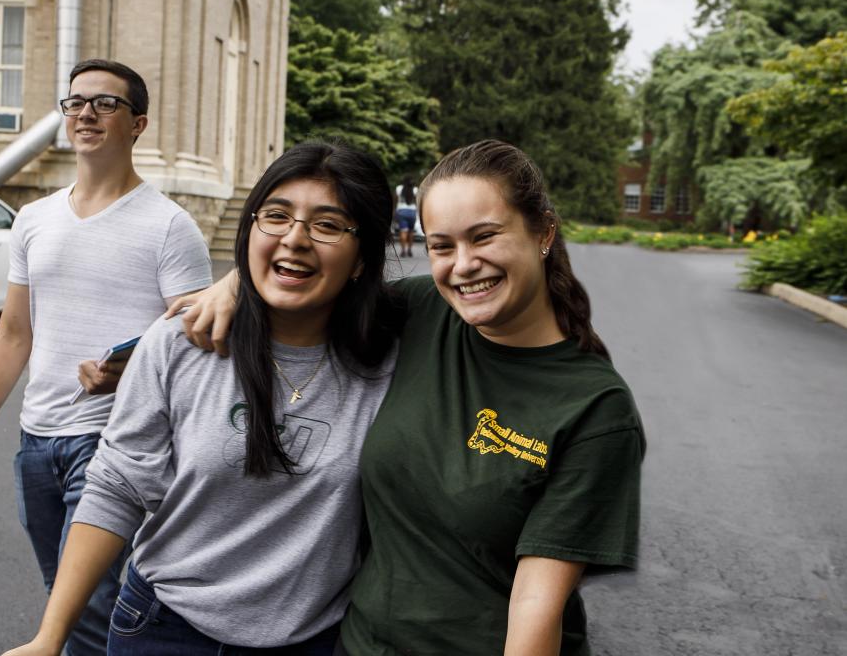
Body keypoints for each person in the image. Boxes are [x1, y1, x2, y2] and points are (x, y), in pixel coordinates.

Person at [179, 139, 644, 655]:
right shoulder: (424, 311)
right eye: (442, 246)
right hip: (357, 645)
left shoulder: (595, 408)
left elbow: (536, 604)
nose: (463, 265)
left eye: (484, 237)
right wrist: (238, 280)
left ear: (544, 232)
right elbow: (313, 285)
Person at [3, 140, 404, 656]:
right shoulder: (180, 341)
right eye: (276, 216)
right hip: (165, 628)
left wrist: (237, 279)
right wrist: (49, 637)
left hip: (315, 639)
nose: (295, 239)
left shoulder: (396, 356)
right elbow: (117, 484)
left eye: (327, 225)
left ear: (360, 259)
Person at [0, 59, 212, 655]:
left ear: (138, 124)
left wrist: (130, 371)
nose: (86, 113)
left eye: (105, 103)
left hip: (114, 442)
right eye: (75, 102)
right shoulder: (34, 220)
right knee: (62, 595)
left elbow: (199, 344)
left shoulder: (169, 226)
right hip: (37, 444)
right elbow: (14, 335)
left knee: (89, 608)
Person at [394, 174, 418, 257]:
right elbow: (416, 201)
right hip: (412, 212)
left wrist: (395, 211)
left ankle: (403, 250)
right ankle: (409, 250)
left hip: (401, 211)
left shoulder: (399, 188)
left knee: (403, 231)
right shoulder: (415, 190)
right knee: (411, 232)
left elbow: (396, 200)